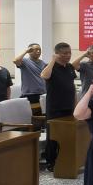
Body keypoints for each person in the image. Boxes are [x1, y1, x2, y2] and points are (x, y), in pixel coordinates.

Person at [40, 42, 77, 172]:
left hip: (69, 106)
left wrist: (75, 105)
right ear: (57, 54)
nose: (68, 55)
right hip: (55, 108)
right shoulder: (50, 66)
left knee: (67, 135)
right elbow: (44, 76)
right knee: (53, 137)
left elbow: (72, 86)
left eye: (69, 53)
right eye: (64, 53)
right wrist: (52, 60)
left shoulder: (69, 67)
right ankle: (50, 162)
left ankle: (64, 159)